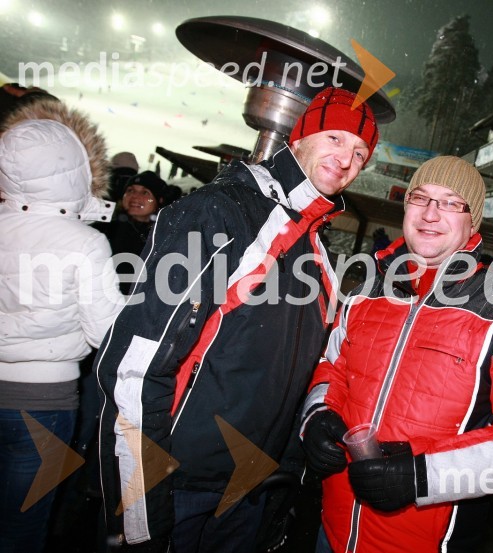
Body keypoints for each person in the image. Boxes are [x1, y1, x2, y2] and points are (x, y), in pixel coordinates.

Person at [96, 87, 379, 552]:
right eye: (334, 139)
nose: (346, 159)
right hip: (182, 486)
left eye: (359, 153)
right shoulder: (220, 212)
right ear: (301, 136)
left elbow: (309, 370)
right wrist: (140, 514)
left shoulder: (318, 251)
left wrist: (309, 438)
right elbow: (135, 366)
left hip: (253, 493)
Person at [300, 156, 493, 552]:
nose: (430, 213)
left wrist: (423, 476)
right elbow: (332, 366)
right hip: (332, 530)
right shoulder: (365, 294)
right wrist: (319, 416)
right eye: (420, 198)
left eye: (450, 202)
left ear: (472, 221)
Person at [0, 96, 124, 553]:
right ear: (77, 168)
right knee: (23, 529)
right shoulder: (86, 243)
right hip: (44, 401)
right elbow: (103, 333)